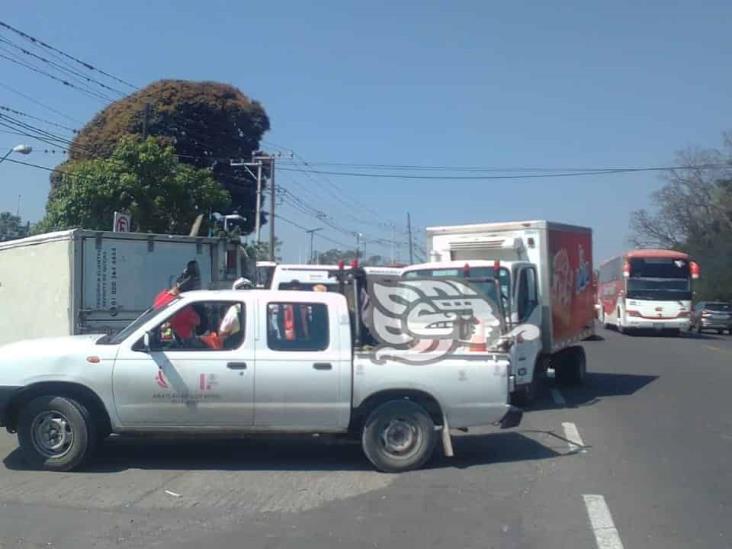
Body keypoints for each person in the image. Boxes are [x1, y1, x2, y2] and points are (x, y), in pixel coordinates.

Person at [152, 260, 202, 343]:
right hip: (180, 345)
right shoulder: (181, 304)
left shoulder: (161, 296)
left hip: (171, 343)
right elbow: (197, 321)